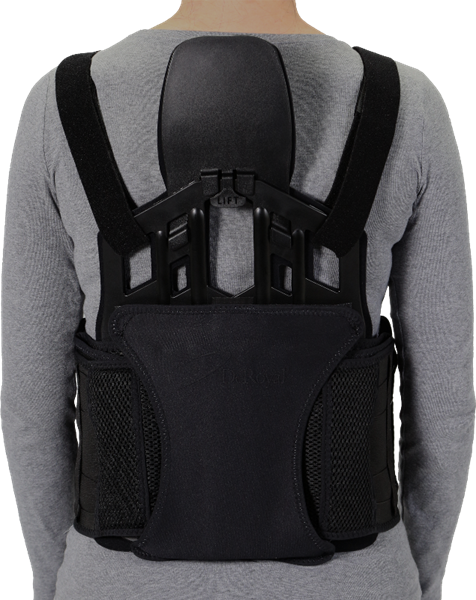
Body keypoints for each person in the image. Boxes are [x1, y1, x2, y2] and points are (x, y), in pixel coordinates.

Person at [2, 1, 473, 599]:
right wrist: (412, 584)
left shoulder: (61, 104)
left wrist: (63, 582)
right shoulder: (407, 104)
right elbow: (446, 410)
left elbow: (30, 409)